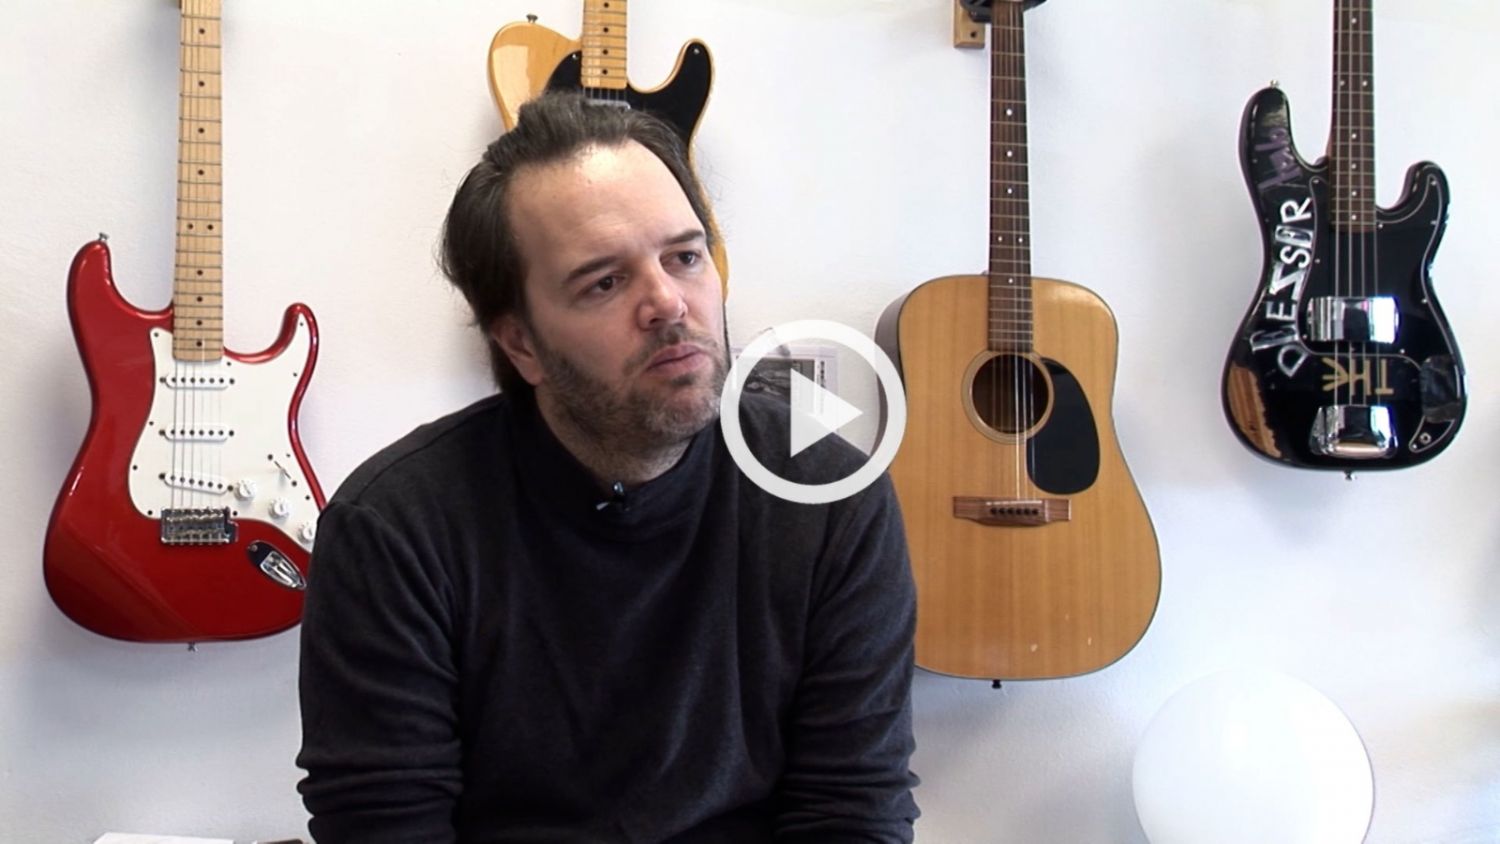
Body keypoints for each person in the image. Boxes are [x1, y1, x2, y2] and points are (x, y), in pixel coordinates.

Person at [296, 91, 919, 842]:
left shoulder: (824, 489)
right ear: (521, 344)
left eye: (685, 257)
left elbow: (852, 807)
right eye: (605, 282)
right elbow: (385, 824)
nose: (669, 303)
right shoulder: (397, 530)